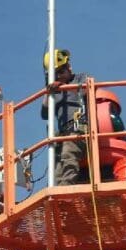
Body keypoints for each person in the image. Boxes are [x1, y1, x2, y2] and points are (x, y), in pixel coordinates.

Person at [41, 48, 89, 185]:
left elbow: (87, 90)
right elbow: (44, 114)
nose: (59, 76)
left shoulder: (80, 78)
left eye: (61, 72)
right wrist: (48, 93)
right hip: (63, 132)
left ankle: (66, 188)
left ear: (69, 67)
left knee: (68, 153)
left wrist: (63, 87)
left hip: (79, 127)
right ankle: (57, 190)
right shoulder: (54, 92)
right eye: (55, 74)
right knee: (57, 162)